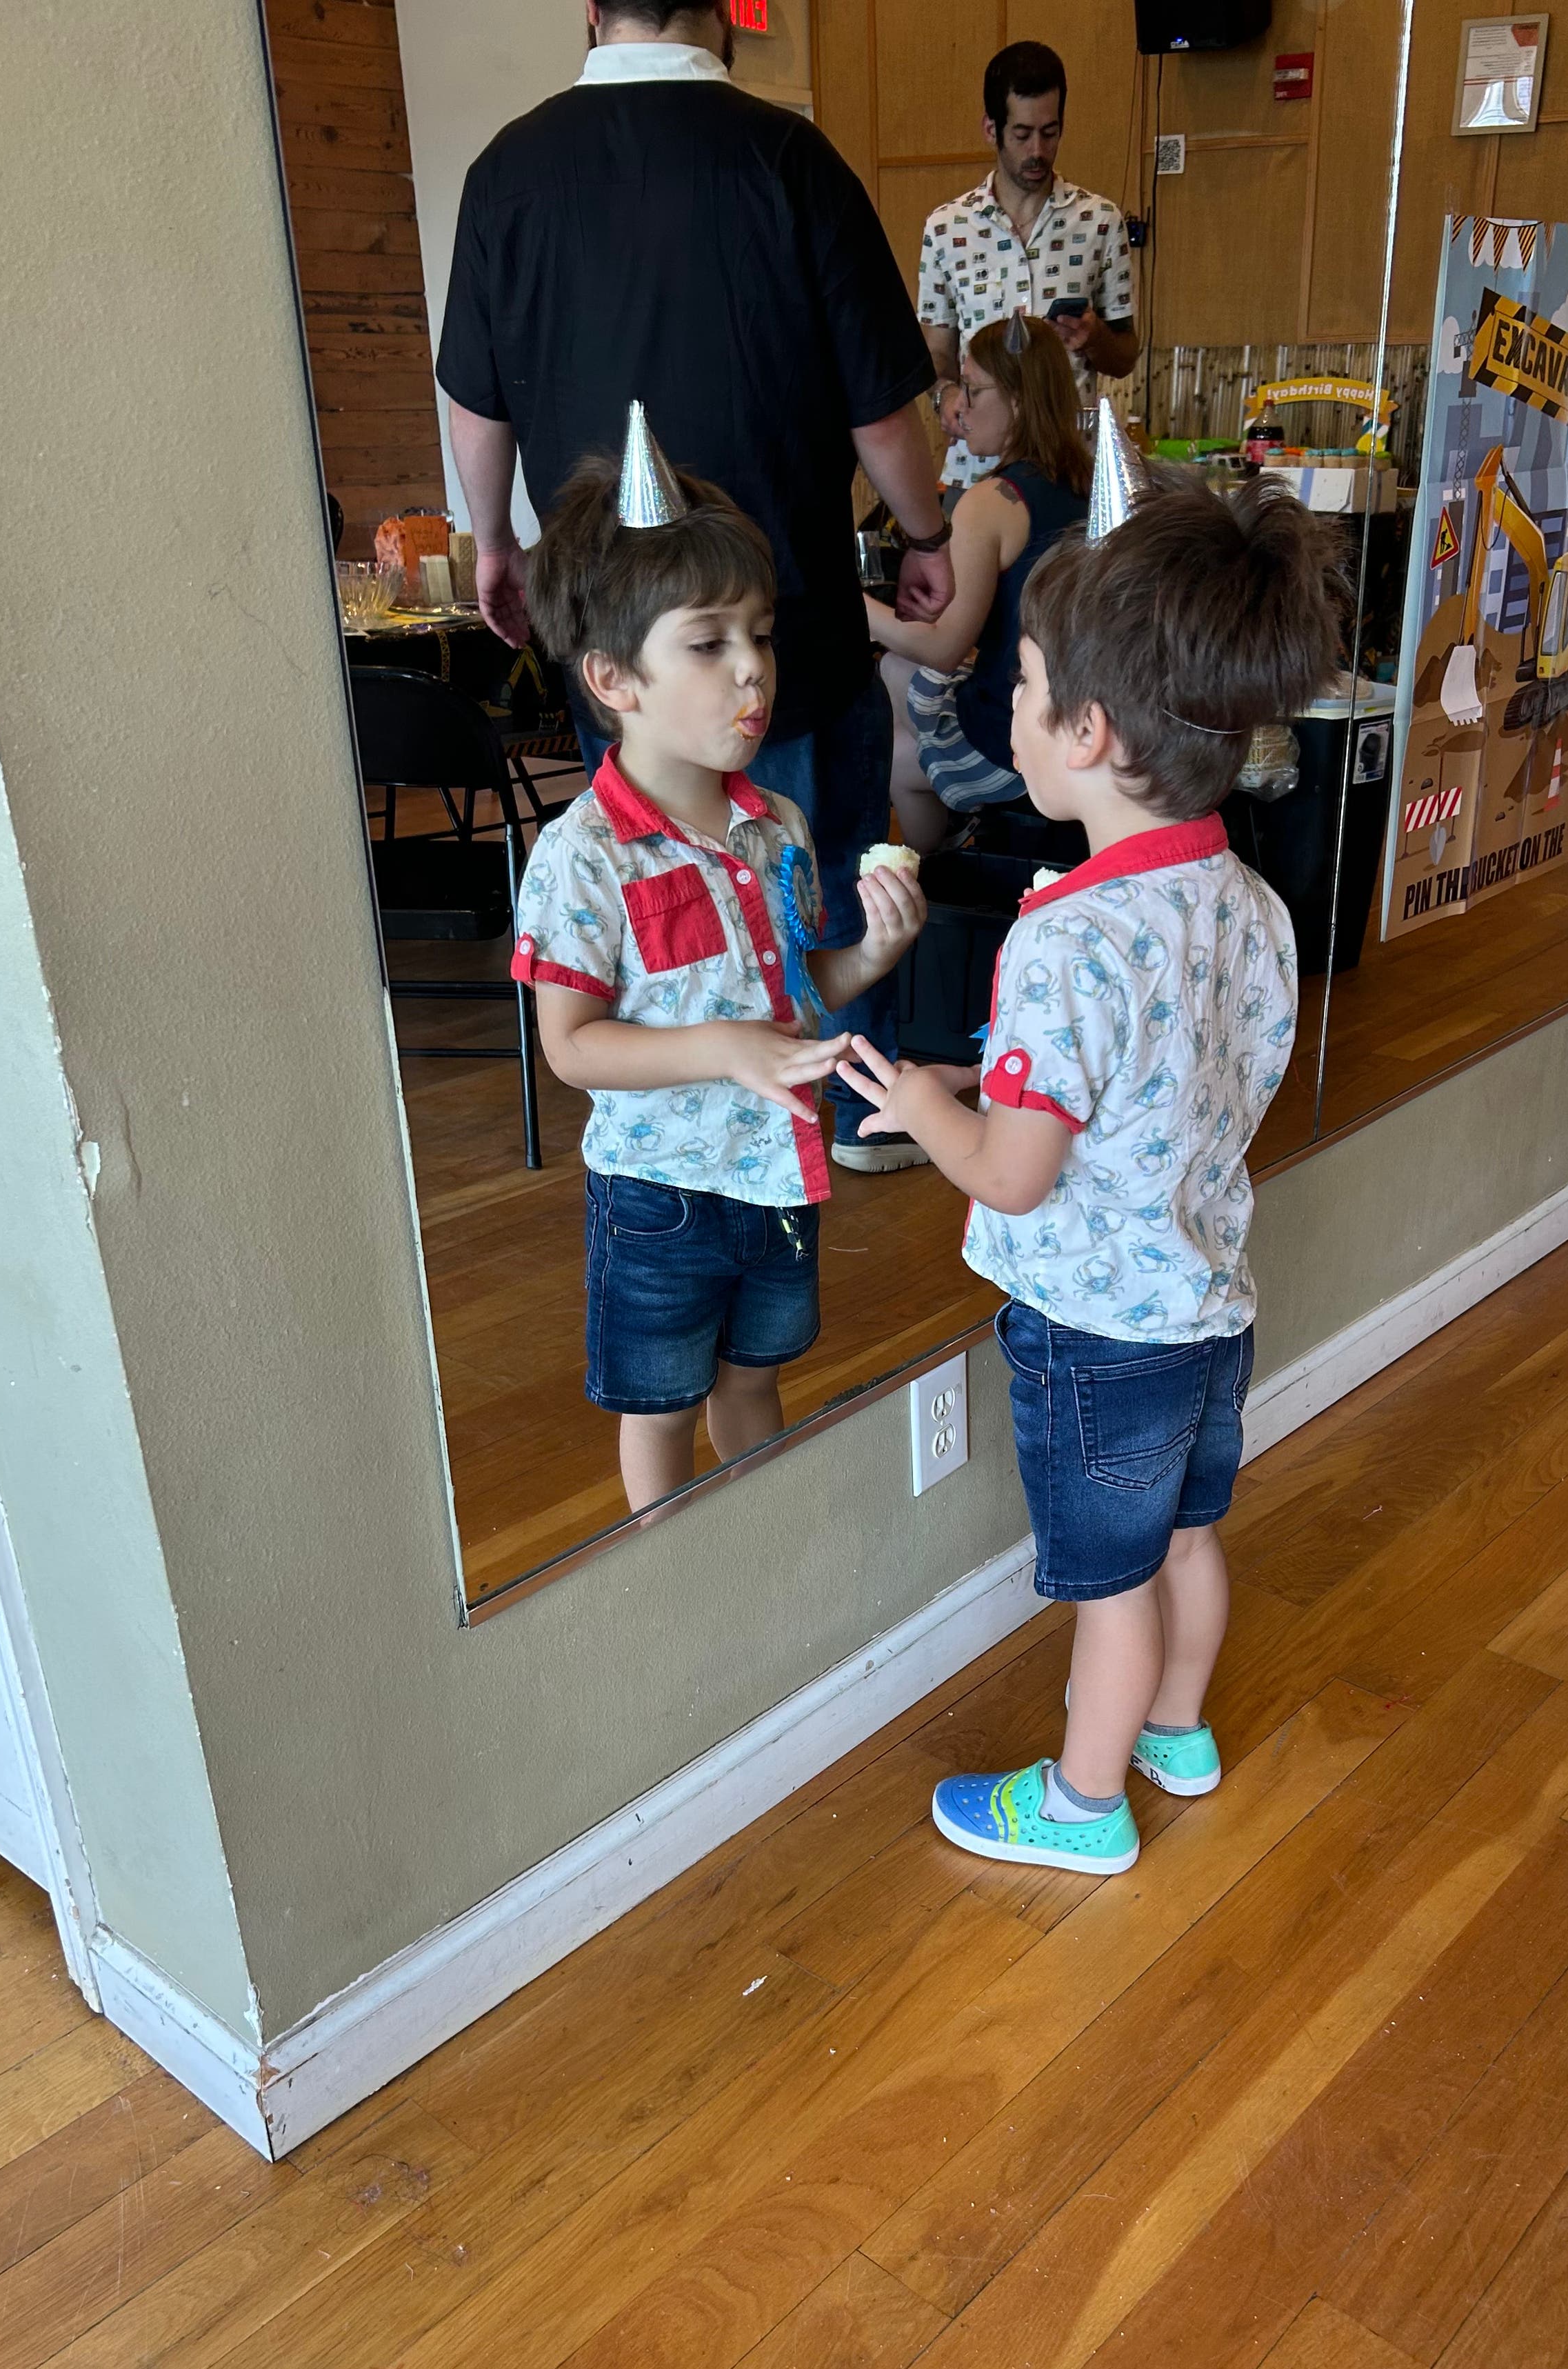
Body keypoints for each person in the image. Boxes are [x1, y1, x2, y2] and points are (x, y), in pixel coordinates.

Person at [836, 473, 1344, 1876]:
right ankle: (1178, 1734)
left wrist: (918, 1107)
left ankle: (1081, 1803)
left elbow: (1011, 1179)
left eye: (1023, 683)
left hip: (1097, 1335)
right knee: (1188, 1539)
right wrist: (995, 1087)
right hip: (1209, 1310)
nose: (1007, 705)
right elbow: (1177, 1083)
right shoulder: (1247, 903)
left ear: (1090, 733)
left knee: (1110, 1585)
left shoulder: (1066, 937)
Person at [438, 0, 950, 1172]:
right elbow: (880, 408)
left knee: (650, 875)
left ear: (591, 10)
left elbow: (478, 398)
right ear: (722, 10)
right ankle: (853, 1113)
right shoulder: (788, 157)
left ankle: (702, 1131)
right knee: (813, 877)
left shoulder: (507, 172)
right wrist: (925, 533)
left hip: (618, 626)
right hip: (790, 615)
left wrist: (496, 542)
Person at [512, 431, 925, 1516]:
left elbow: (795, 998)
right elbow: (571, 1045)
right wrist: (720, 1049)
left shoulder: (778, 825)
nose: (752, 668)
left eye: (761, 634)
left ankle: (758, 1547)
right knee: (659, 1407)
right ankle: (675, 1569)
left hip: (779, 1177)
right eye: (707, 643)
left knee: (754, 1382)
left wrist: (870, 955)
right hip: (660, 1196)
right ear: (615, 679)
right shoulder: (584, 856)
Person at [866, 314, 1090, 850]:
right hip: (1084, 714)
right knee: (896, 671)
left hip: (1015, 729)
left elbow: (944, 648)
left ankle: (937, 870)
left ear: (1019, 400)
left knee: (895, 752)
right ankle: (963, 832)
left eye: (972, 389)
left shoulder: (991, 502)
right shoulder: (1086, 480)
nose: (958, 407)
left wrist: (853, 607)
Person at [917, 41, 1138, 490]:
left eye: (1050, 133)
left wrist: (1094, 337)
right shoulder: (945, 228)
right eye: (1021, 135)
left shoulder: (1100, 221)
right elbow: (935, 356)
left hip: (1072, 476)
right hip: (975, 476)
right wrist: (946, 395)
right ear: (991, 129)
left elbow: (1125, 356)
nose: (1037, 150)